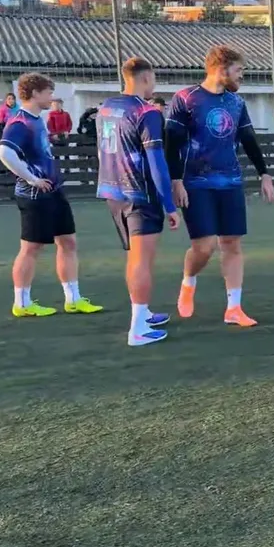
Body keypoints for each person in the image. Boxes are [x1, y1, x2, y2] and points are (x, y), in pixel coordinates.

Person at [166, 45, 274, 328]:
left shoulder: (237, 103)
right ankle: (188, 281)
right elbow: (171, 144)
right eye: (239, 70)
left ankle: (234, 308)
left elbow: (248, 138)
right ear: (221, 69)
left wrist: (264, 174)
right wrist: (176, 181)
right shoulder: (185, 98)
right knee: (204, 247)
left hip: (231, 182)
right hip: (195, 183)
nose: (242, 76)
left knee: (232, 244)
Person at [0, 72, 102, 318]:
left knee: (68, 242)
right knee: (31, 248)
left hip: (54, 191)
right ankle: (22, 303)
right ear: (35, 93)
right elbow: (4, 152)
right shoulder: (20, 122)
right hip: (34, 195)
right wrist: (31, 178)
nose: (51, 97)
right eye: (48, 92)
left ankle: (73, 299)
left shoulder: (36, 120)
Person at [97, 56, 182, 346]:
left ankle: (143, 313)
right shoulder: (147, 112)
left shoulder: (106, 107)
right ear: (146, 78)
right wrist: (169, 205)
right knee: (142, 260)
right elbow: (156, 162)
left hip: (112, 192)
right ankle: (137, 330)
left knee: (135, 257)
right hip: (140, 194)